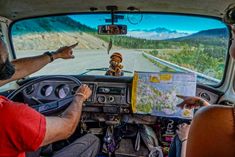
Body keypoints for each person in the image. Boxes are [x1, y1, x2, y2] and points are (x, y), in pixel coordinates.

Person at [0, 38, 100, 157]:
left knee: (42, 142)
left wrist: (56, 55)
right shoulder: (10, 114)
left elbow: (16, 69)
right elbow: (67, 127)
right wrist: (79, 97)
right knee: (92, 140)